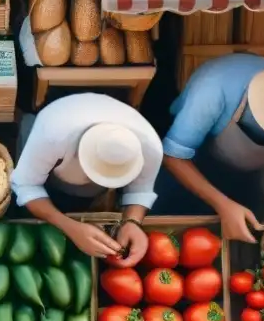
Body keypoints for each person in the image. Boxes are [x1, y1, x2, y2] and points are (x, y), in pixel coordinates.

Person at [153, 53, 264, 263]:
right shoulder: (212, 89)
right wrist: (223, 204)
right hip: (192, 157)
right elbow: (173, 156)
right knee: (160, 237)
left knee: (246, 246)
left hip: (247, 174)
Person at [11, 92, 163, 266]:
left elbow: (141, 191)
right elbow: (25, 185)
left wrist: (132, 222)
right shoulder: (53, 132)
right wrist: (70, 227)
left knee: (83, 199)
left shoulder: (151, 147)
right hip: (43, 143)